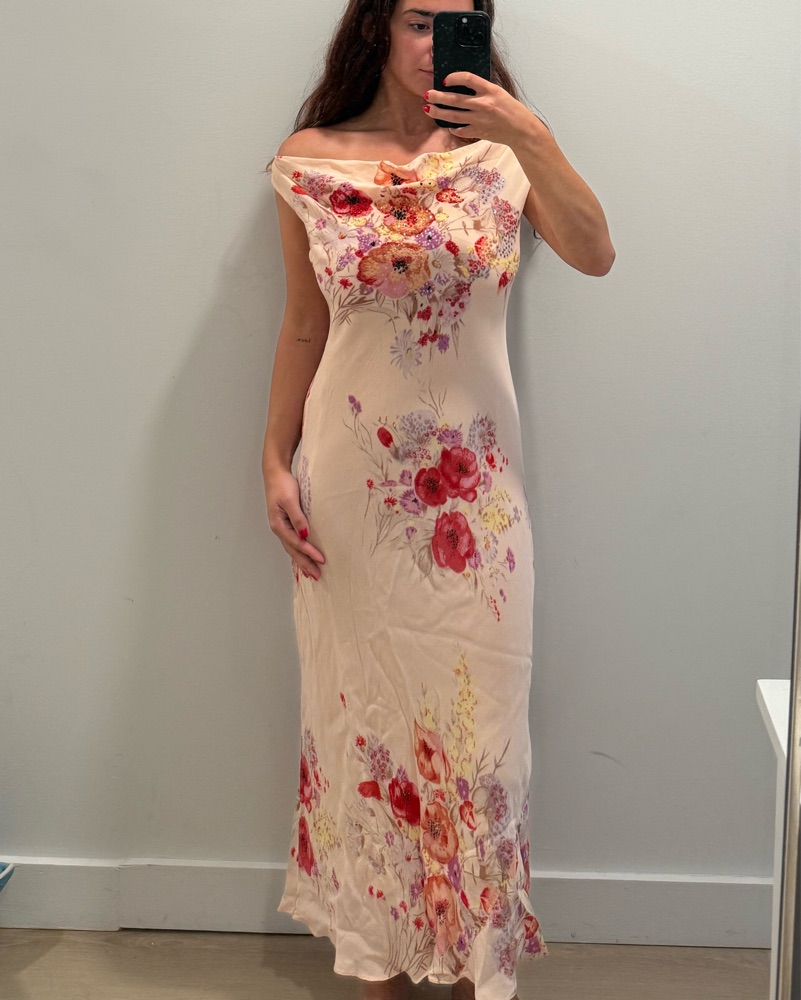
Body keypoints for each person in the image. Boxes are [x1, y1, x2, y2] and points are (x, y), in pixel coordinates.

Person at [263, 2, 615, 998]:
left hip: (477, 512)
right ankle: (376, 966)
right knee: (363, 725)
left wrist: (527, 131)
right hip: (349, 494)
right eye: (421, 20)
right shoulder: (308, 161)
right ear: (377, 26)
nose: (437, 43)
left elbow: (595, 252)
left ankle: (472, 968)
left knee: (482, 746)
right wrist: (273, 458)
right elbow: (302, 324)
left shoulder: (503, 157)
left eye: (462, 22)